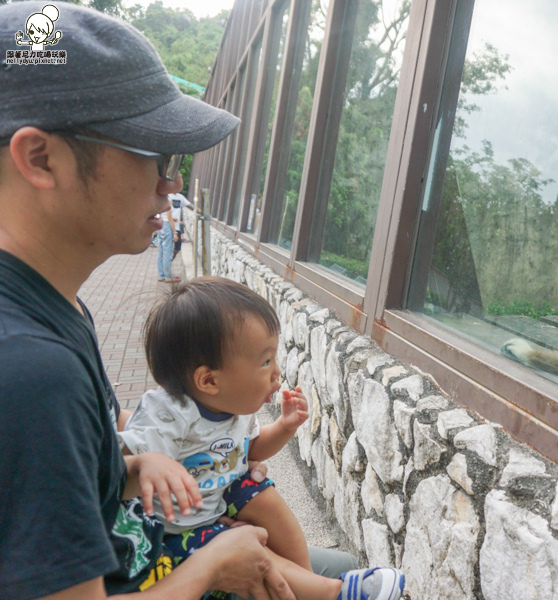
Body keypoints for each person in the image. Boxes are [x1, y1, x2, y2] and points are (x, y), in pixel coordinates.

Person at [0, 3, 346, 599]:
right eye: (156, 156)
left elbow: (81, 473)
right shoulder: (31, 370)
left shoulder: (61, 308)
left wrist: (158, 467)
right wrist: (211, 565)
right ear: (40, 159)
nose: (173, 183)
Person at [120, 277, 405, 600]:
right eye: (265, 361)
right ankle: (331, 593)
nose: (276, 372)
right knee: (242, 548)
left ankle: (304, 578)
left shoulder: (234, 406)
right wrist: (145, 464)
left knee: (257, 491)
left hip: (215, 501)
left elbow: (252, 449)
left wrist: (284, 427)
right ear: (209, 380)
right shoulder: (168, 414)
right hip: (174, 533)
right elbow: (117, 462)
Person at [157, 206, 179, 283]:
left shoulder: (159, 199)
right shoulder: (167, 200)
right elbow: (169, 218)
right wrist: (174, 232)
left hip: (160, 225)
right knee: (167, 251)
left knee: (161, 252)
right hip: (166, 226)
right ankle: (167, 276)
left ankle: (161, 275)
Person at [169, 192, 186, 259]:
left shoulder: (180, 197)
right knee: (167, 247)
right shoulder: (167, 196)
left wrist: (200, 211)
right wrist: (171, 218)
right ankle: (166, 263)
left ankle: (170, 259)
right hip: (168, 226)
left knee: (178, 247)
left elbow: (188, 204)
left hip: (177, 226)